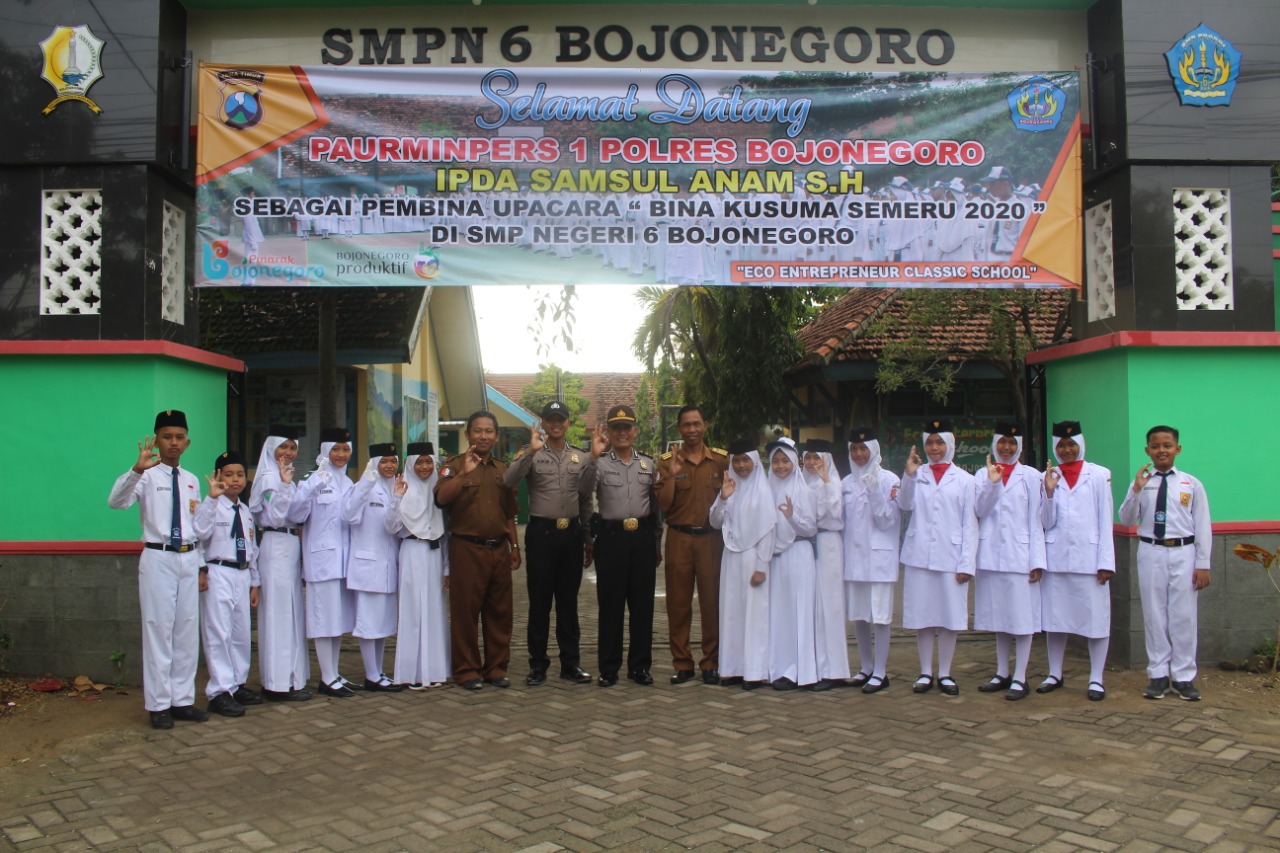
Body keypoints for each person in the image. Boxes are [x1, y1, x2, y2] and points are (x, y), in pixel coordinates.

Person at [108, 410, 209, 730]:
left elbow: (196, 526)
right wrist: (136, 470)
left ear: (187, 442)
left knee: (186, 632)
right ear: (156, 441)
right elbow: (116, 502)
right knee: (158, 630)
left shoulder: (192, 480)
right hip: (158, 557)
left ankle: (182, 700)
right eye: (167, 437)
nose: (173, 442)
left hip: (188, 558)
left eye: (179, 437)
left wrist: (201, 565)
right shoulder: (146, 476)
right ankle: (159, 704)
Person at [1118, 425, 1212, 701]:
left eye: (1167, 445)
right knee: (1154, 614)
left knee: (1184, 615)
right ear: (1147, 450)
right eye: (1156, 446)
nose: (1162, 450)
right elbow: (1126, 518)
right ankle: (1158, 674)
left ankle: (1183, 676)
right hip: (1151, 551)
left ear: (1177, 449)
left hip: (1184, 552)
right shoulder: (1141, 483)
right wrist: (1136, 489)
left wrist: (1203, 563)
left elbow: (1203, 525)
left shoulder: (1191, 484)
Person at [503, 401, 592, 686]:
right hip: (541, 535)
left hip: (571, 536)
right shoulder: (531, 452)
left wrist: (588, 537)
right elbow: (508, 481)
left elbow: (586, 499)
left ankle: (571, 664)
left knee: (568, 603)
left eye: (560, 419)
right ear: (542, 423)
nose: (556, 424)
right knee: (539, 603)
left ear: (568, 423)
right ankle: (537, 665)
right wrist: (531, 451)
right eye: (550, 419)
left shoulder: (580, 457)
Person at [435, 410, 521, 690]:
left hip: (498, 549)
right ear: (468, 434)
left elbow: (509, 513)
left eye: (488, 431)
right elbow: (441, 498)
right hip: (466, 549)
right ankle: (467, 670)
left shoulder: (503, 470)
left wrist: (515, 545)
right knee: (465, 614)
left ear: (496, 436)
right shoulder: (454, 466)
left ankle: (496, 668)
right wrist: (464, 475)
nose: (483, 436)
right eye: (477, 431)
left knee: (500, 613)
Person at [581, 406, 662, 687]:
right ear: (609, 432)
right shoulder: (600, 463)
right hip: (611, 540)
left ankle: (640, 667)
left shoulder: (648, 464)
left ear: (635, 431)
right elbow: (583, 490)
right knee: (611, 606)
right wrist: (593, 456)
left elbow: (656, 508)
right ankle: (609, 667)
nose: (622, 433)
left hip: (642, 539)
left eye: (627, 427)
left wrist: (656, 543)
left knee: (642, 606)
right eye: (616, 428)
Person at [898, 420, 978, 696]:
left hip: (950, 556)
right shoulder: (916, 474)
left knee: (948, 616)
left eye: (939, 442)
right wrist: (908, 476)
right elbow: (904, 505)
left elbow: (970, 525)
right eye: (930, 443)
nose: (934, 448)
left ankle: (945, 672)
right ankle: (924, 672)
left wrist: (967, 563)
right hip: (919, 553)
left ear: (950, 444)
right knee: (922, 615)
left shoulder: (966, 480)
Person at [1040, 421, 1115, 701]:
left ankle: (1096, 678)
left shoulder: (1099, 475)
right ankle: (1054, 673)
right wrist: (1049, 493)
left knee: (1096, 620)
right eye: (1061, 445)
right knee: (1055, 619)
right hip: (1056, 558)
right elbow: (1045, 522)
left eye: (1071, 444)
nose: (1067, 450)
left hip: (1089, 559)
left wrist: (1106, 562)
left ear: (1080, 444)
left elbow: (1105, 518)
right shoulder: (1047, 476)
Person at [656, 405, 729, 684]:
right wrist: (672, 476)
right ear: (679, 428)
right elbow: (663, 505)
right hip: (679, 538)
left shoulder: (721, 461)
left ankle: (711, 661)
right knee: (678, 604)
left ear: (705, 425)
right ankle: (682, 663)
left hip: (712, 540)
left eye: (696, 424)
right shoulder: (667, 462)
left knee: (712, 602)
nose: (692, 430)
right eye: (686, 425)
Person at [973, 423, 1046, 701]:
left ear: (1019, 446)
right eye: (1002, 442)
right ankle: (1002, 672)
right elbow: (979, 510)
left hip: (1021, 557)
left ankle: (1020, 677)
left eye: (1012, 442)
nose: (1006, 447)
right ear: (995, 444)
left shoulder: (1032, 476)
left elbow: (1036, 519)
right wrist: (992, 484)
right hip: (991, 555)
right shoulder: (983, 474)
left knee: (1022, 619)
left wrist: (1037, 560)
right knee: (1000, 616)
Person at [287, 427, 358, 697]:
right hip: (322, 561)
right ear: (325, 451)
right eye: (335, 449)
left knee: (336, 620)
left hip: (342, 562)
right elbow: (295, 515)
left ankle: (334, 673)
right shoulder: (312, 478)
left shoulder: (348, 483)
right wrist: (312, 488)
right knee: (323, 620)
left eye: (345, 449)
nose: (341, 455)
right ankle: (326, 677)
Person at [195, 450, 262, 717]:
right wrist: (201, 570)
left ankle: (236, 684)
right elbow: (199, 534)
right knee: (218, 633)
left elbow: (252, 548)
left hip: (241, 574)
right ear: (218, 476)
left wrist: (254, 582)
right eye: (229, 474)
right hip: (218, 571)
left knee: (240, 633)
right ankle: (219, 691)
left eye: (240, 475)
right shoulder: (212, 505)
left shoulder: (244, 511)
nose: (235, 480)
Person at [249, 425, 311, 702]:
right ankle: (276, 683)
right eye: (282, 447)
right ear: (271, 448)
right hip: (275, 545)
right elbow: (274, 517)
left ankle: (293, 678)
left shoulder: (287, 477)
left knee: (293, 613)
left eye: (292, 447)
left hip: (290, 545)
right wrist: (285, 486)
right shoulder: (268, 478)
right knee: (277, 615)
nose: (288, 452)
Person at [840, 427, 902, 695]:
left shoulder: (890, 479)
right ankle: (865, 666)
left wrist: (875, 490)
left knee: (881, 616)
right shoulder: (845, 483)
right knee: (860, 616)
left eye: (863, 448)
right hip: (854, 558)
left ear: (874, 449)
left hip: (879, 560)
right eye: (854, 449)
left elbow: (888, 520)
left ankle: (880, 671)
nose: (858, 454)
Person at [709, 439, 775, 690]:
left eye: (746, 460)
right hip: (731, 558)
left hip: (753, 559)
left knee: (754, 615)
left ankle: (754, 672)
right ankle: (733, 669)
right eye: (736, 461)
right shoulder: (729, 488)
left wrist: (761, 567)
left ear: (755, 461)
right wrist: (723, 498)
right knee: (732, 614)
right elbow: (715, 522)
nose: (741, 465)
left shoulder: (763, 490)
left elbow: (768, 531)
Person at [343, 443, 405, 692]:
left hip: (388, 567)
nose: (389, 466)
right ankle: (371, 675)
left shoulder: (396, 487)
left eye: (393, 461)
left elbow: (393, 527)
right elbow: (349, 516)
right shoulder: (365, 486)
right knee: (369, 624)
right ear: (374, 463)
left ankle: (378, 672)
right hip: (368, 567)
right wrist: (366, 483)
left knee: (383, 624)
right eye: (384, 461)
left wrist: (397, 497)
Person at [388, 442, 450, 689]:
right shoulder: (403, 489)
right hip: (412, 552)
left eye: (428, 462)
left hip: (435, 555)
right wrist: (396, 498)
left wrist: (447, 568)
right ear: (411, 465)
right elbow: (391, 527)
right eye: (419, 463)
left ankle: (435, 671)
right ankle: (410, 673)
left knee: (434, 610)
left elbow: (445, 535)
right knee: (412, 611)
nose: (424, 467)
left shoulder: (439, 491)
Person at [765, 439, 821, 691]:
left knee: (800, 612)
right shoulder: (766, 490)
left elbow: (810, 528)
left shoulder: (803, 490)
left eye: (785, 461)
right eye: (776, 461)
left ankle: (800, 670)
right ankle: (780, 668)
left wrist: (791, 517)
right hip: (775, 558)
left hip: (799, 554)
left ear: (794, 462)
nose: (780, 466)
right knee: (780, 614)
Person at [801, 439, 851, 688]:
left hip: (828, 543)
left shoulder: (833, 482)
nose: (812, 463)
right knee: (814, 607)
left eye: (816, 458)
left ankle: (834, 670)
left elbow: (835, 513)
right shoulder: (802, 482)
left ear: (826, 460)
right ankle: (816, 667)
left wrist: (827, 482)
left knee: (830, 606)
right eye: (808, 458)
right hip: (809, 545)